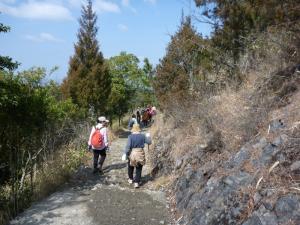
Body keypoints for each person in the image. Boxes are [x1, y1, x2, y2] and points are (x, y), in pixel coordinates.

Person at [122, 124, 151, 188]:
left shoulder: (130, 136)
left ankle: (130, 179)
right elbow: (149, 142)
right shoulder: (143, 136)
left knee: (130, 166)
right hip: (140, 153)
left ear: (133, 130)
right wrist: (148, 136)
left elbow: (128, 147)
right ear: (139, 129)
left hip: (132, 153)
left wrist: (125, 153)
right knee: (139, 168)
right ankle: (137, 183)